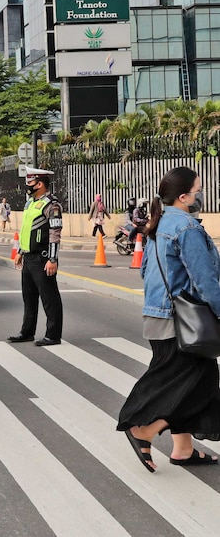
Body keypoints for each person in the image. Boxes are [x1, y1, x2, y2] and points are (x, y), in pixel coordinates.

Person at [118, 167, 220, 472]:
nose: (200, 195)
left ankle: (183, 449)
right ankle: (144, 431)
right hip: (182, 321)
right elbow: (205, 280)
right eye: (198, 190)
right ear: (184, 195)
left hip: (158, 316)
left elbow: (145, 270)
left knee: (188, 380)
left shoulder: (158, 222)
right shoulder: (186, 227)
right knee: (194, 384)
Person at [7, 167, 64, 347]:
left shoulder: (52, 205)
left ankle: (53, 335)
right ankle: (27, 332)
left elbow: (55, 233)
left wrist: (52, 259)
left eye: (30, 183)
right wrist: (21, 252)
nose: (27, 186)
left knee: (49, 298)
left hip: (43, 257)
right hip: (29, 257)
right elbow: (26, 231)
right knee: (29, 297)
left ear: (39, 184)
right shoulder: (30, 203)